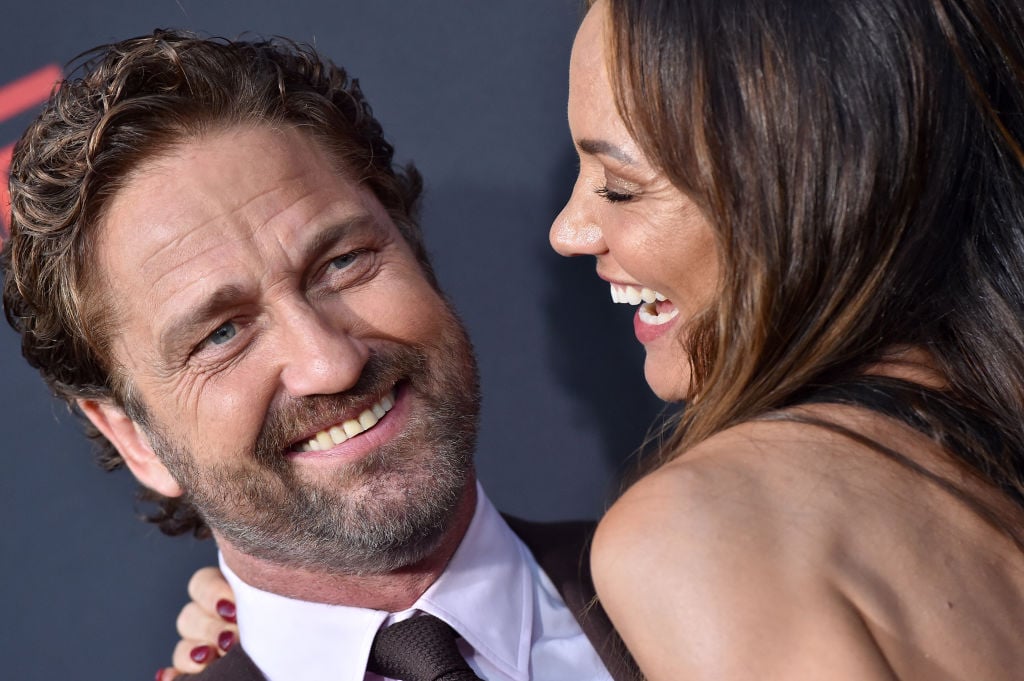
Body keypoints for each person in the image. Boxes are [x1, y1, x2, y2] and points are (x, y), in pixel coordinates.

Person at [169, 0, 1024, 678]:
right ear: (124, 429)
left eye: (620, 185)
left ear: (796, 191)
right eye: (220, 333)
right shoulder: (971, 463)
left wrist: (721, 543)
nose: (569, 230)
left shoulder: (694, 541)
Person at [1, 30, 637, 681]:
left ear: (416, 253)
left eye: (342, 262)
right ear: (135, 438)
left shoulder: (702, 587)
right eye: (221, 332)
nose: (329, 361)